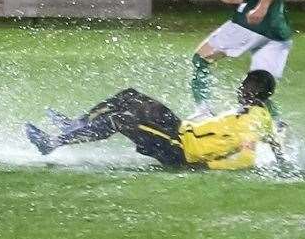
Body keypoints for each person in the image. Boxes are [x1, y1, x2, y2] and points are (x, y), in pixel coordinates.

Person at [24, 70, 282, 170]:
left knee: (121, 119)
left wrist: (207, 167)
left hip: (180, 150)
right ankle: (75, 126)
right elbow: (273, 138)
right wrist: (283, 160)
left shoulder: (254, 118)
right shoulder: (258, 113)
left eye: (246, 85)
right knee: (130, 97)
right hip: (181, 129)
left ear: (254, 91)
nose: (240, 87)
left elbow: (246, 157)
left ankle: (53, 142)